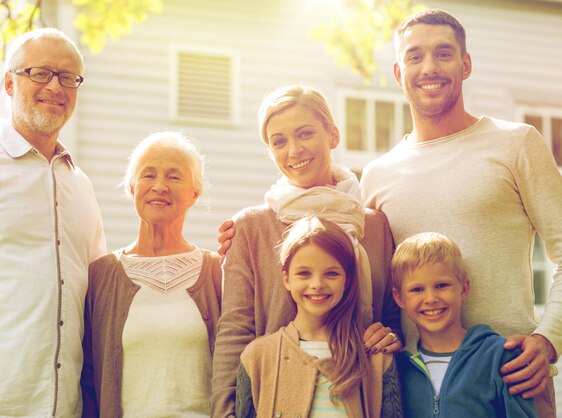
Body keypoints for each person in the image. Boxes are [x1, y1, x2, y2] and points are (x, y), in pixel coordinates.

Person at [359, 9, 562, 417]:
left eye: (444, 54)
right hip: (412, 389)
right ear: (399, 73)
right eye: (415, 57)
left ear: (465, 64)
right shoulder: (377, 174)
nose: (429, 67)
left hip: (510, 382)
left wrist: (549, 338)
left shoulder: (516, 143)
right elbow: (367, 276)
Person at [0, 28, 106, 417]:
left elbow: (100, 295)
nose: (55, 86)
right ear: (9, 83)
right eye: (40, 73)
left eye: (68, 77)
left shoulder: (80, 185)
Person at [212, 85, 401, 417]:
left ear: (332, 135)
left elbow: (393, 316)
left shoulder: (374, 226)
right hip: (275, 399)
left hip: (357, 398)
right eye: (279, 141)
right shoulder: (251, 227)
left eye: (305, 134)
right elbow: (234, 331)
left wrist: (389, 336)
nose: (294, 150)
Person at [80, 131, 222, 417]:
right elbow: (86, 380)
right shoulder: (100, 275)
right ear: (132, 188)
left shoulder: (218, 272)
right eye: (148, 175)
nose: (159, 186)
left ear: (194, 193)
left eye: (173, 176)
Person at [236, 216, 402, 417]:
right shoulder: (257, 358)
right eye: (304, 274)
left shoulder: (377, 359)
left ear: (347, 280)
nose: (317, 284)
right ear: (286, 279)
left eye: (331, 274)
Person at [391, 232, 537, 417]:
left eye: (442, 285)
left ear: (464, 288)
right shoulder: (400, 367)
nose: (430, 299)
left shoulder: (500, 356)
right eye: (417, 289)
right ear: (399, 298)